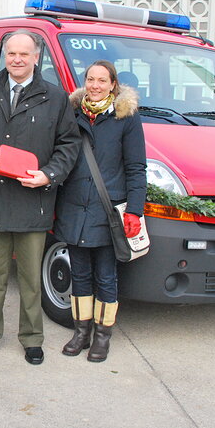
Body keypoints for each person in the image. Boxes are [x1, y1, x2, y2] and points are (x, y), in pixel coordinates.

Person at [0, 30, 80, 365]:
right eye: (11, 53)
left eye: (23, 54)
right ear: (4, 56)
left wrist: (48, 174)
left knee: (30, 280)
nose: (16, 59)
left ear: (36, 57)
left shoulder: (55, 98)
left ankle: (32, 339)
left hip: (33, 202)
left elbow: (69, 146)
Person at [54, 60, 146, 362]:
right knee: (79, 273)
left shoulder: (126, 117)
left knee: (106, 276)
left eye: (102, 81)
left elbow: (135, 167)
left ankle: (102, 336)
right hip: (73, 207)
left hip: (107, 211)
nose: (95, 86)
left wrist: (135, 210)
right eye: (90, 79)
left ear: (112, 85)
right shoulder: (72, 112)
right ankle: (81, 331)